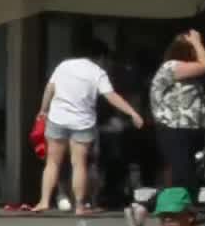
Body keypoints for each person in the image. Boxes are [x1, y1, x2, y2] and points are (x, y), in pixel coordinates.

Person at [34, 41, 144, 214]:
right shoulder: (97, 72)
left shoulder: (63, 66)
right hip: (82, 122)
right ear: (100, 57)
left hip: (58, 118)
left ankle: (44, 201)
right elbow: (111, 96)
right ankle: (79, 206)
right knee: (79, 164)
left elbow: (50, 89)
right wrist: (132, 113)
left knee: (53, 162)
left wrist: (43, 110)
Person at [150, 29, 205, 205]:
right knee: (182, 174)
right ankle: (175, 210)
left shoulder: (188, 71)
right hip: (175, 129)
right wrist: (196, 41)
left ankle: (184, 210)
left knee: (191, 174)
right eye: (194, 49)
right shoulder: (172, 67)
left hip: (191, 129)